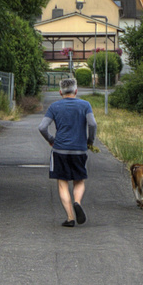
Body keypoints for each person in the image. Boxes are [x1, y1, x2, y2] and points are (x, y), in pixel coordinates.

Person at [42, 76, 98, 227]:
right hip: (79, 150)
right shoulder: (85, 105)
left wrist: (51, 139)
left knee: (62, 183)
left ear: (60, 92)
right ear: (76, 91)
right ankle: (77, 202)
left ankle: (70, 218)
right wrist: (90, 142)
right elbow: (92, 124)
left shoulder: (54, 107)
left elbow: (42, 127)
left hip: (60, 150)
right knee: (79, 180)